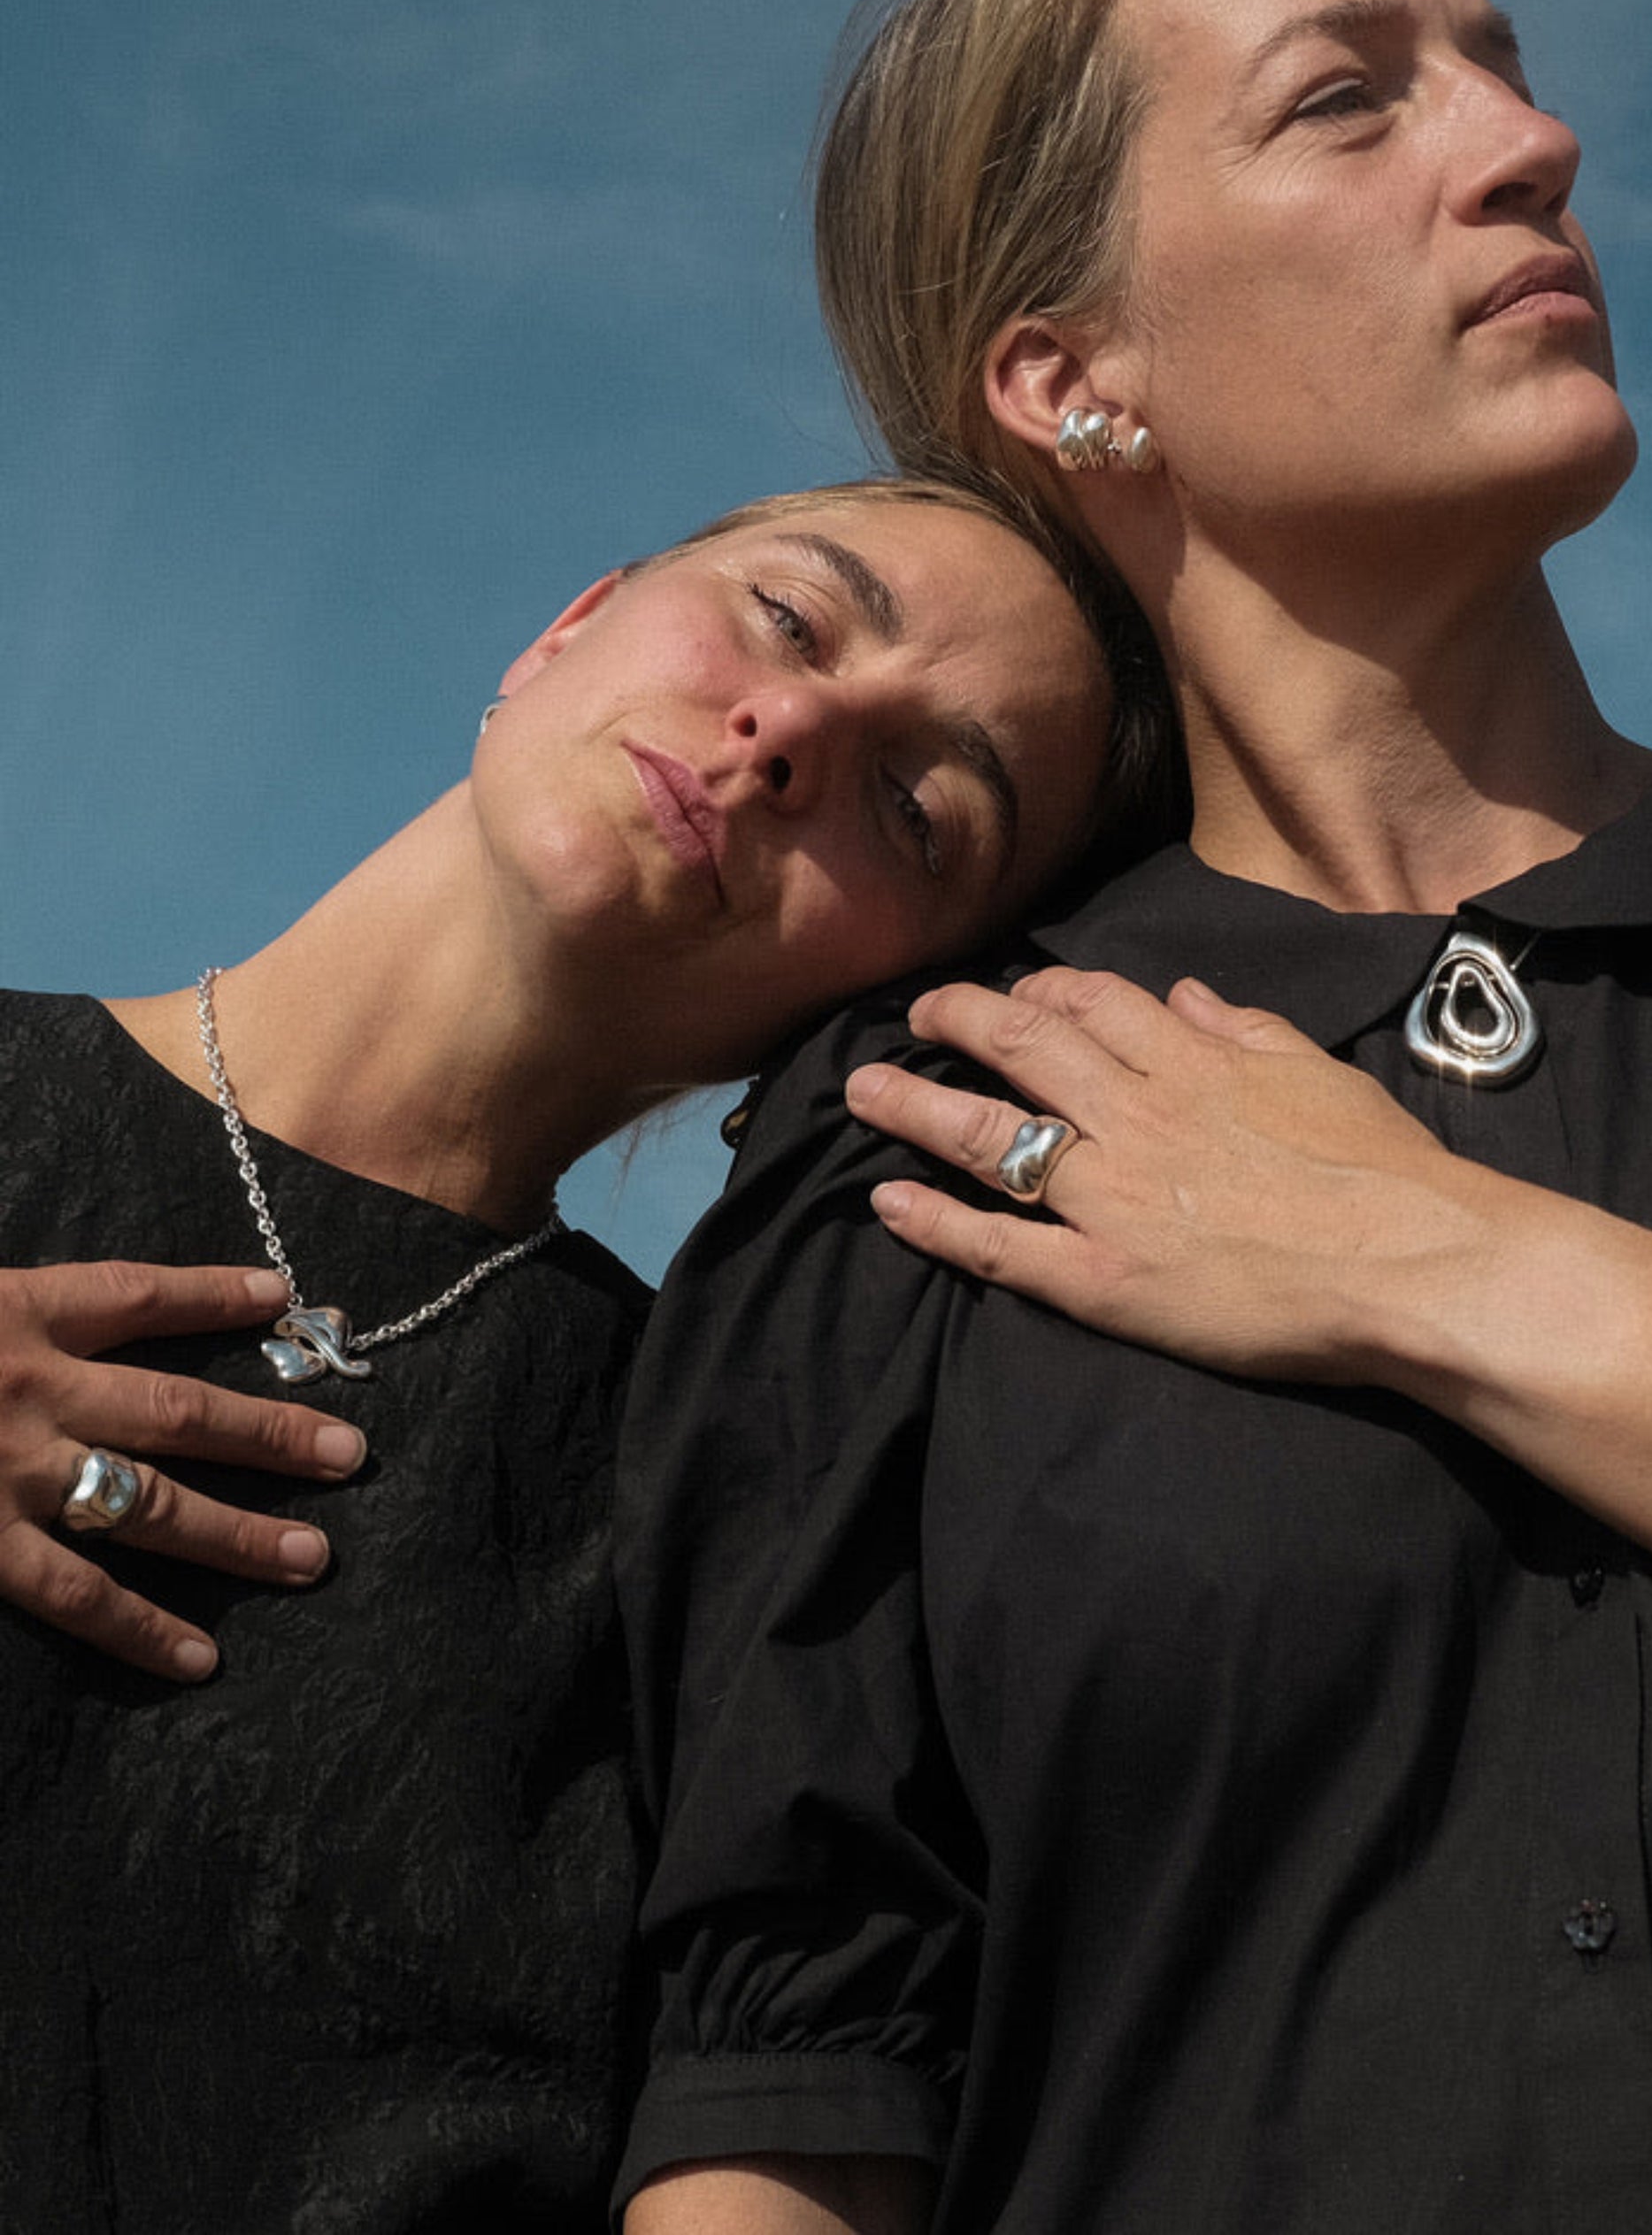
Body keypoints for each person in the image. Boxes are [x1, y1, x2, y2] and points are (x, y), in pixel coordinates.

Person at [615, 0, 1652, 2232]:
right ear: (1071, 375)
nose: (1531, 144)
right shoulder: (924, 1130)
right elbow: (781, 2108)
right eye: (1354, 97)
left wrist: (1414, 1260)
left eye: (1501, 70)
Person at [0, 473, 1162, 2235]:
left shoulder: (721, 1513)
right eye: (789, 616)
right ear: (569, 622)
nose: (788, 730)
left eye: (915, 806)